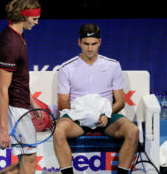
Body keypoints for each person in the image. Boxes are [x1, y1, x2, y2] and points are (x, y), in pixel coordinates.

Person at [53, 23, 139, 174]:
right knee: (59, 130)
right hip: (77, 119)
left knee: (133, 131)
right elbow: (62, 102)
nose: (90, 48)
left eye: (94, 44)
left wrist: (106, 114)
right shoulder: (66, 68)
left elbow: (120, 100)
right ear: (79, 42)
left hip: (105, 118)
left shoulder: (113, 65)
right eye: (86, 44)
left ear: (100, 42)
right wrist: (82, 115)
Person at [0, 0, 41, 174]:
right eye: (34, 19)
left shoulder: (16, 35)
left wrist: (31, 101)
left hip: (20, 105)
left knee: (25, 160)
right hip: (15, 109)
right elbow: (2, 88)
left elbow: (17, 78)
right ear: (23, 17)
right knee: (29, 159)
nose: (37, 23)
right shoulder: (11, 44)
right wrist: (3, 130)